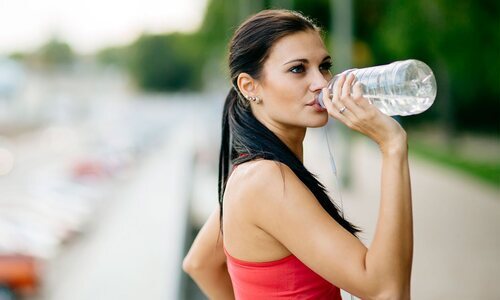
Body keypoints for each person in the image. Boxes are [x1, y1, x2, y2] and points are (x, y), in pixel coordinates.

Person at [183, 9, 413, 300]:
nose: (321, 83)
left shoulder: (255, 173)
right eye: (298, 69)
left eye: (324, 66)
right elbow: (388, 290)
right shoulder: (265, 181)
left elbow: (200, 263)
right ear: (249, 86)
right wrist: (392, 146)